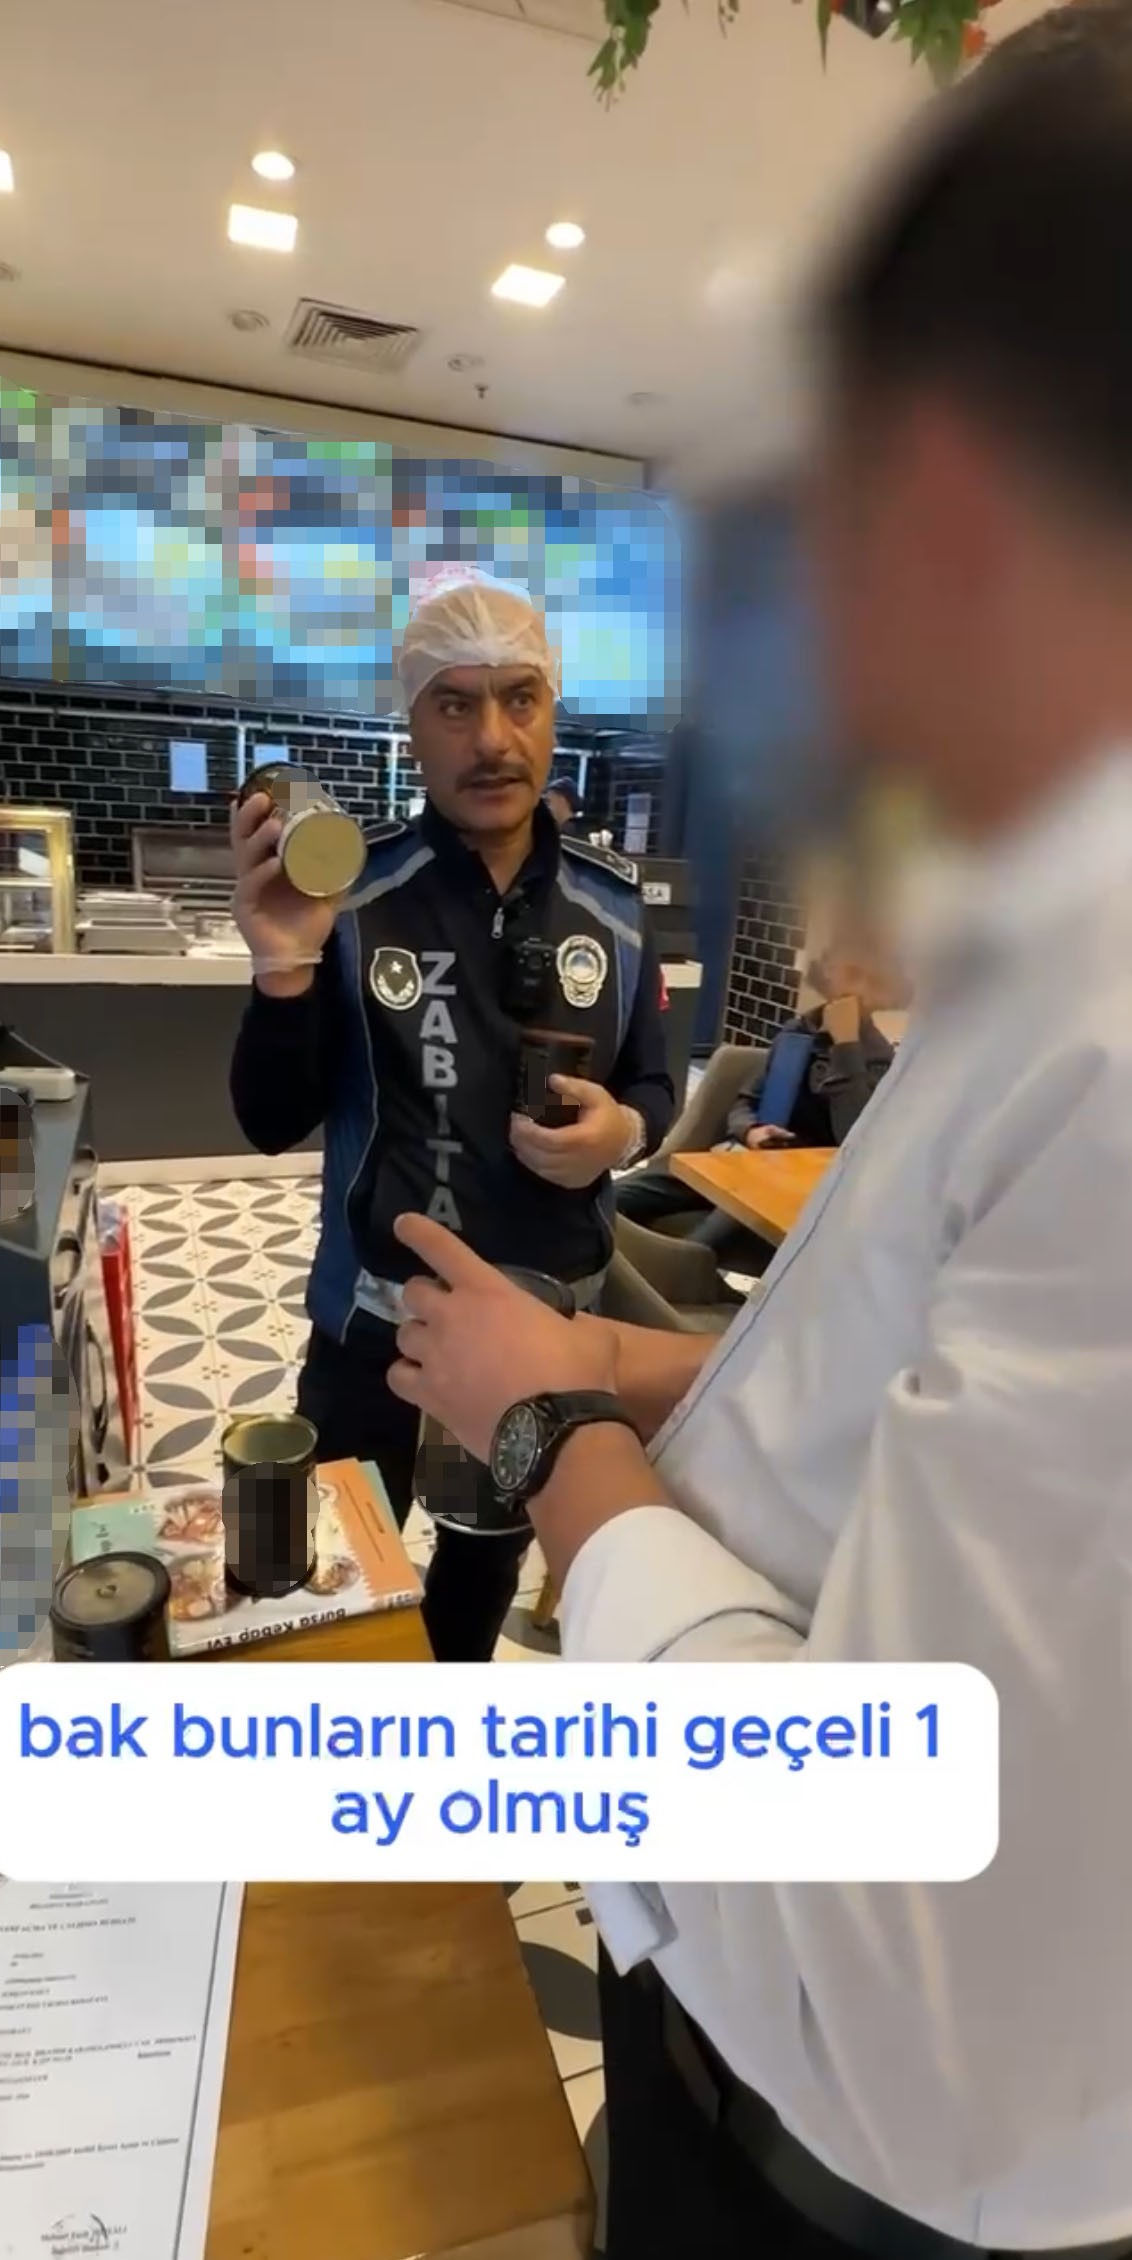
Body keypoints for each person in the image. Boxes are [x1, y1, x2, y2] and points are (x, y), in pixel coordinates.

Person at [385, 7, 1132, 2254]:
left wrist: (557, 1413)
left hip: (830, 2149)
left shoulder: (1061, 1005)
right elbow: (892, 1379)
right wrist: (620, 1371)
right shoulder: (1045, 951)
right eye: (458, 698)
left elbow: (897, 1957)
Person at [228, 575, 673, 1662]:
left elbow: (656, 1088)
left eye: (520, 699)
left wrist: (621, 1134)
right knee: (334, 1603)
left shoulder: (616, 908)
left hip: (542, 1338)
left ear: (553, 713)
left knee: (472, 1597)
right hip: (372, 1334)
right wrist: (282, 966)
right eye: (455, 704)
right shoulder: (352, 895)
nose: (492, 739)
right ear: (414, 725)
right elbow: (270, 1120)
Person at [618, 927, 898, 1275]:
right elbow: (746, 1100)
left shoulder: (878, 1058)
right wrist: (750, 1130)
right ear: (828, 972)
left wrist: (846, 1047)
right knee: (621, 1196)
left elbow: (852, 1133)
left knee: (691, 1251)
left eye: (872, 982)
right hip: (740, 1160)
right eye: (852, 974)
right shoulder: (795, 1033)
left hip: (786, 1189)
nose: (858, 990)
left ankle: (674, 1285)